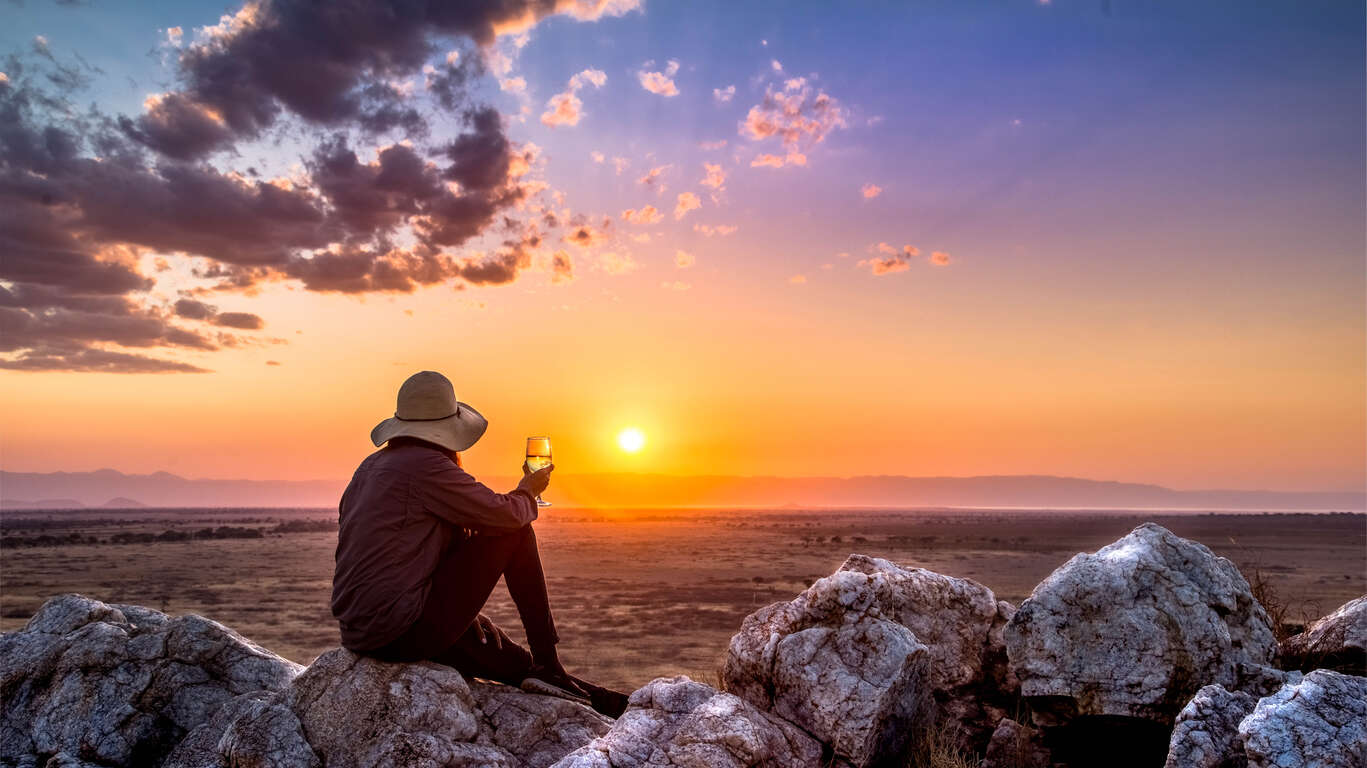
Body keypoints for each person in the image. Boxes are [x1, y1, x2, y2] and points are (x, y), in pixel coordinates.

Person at [331, 370, 627, 717]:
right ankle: (548, 660)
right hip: (402, 630)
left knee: (515, 664)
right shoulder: (425, 466)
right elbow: (503, 516)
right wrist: (527, 492)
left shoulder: (372, 466)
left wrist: (459, 607)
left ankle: (615, 705)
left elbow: (402, 552)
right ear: (447, 429)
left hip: (364, 633)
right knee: (515, 531)